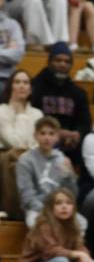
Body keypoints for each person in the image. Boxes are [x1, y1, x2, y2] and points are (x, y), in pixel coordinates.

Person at [30, 44, 91, 166]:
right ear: (49, 62)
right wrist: (55, 133)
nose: (63, 64)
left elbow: (85, 122)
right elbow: (31, 116)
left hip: (69, 143)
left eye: (67, 61)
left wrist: (77, 134)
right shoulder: (35, 87)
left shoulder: (78, 92)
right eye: (58, 60)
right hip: (41, 138)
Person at [15, 115, 78, 228]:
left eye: (51, 134)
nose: (47, 138)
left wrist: (69, 176)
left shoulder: (62, 159)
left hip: (60, 207)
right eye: (42, 133)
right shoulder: (25, 160)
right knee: (34, 222)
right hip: (36, 209)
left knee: (82, 223)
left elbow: (72, 194)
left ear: (57, 137)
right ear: (35, 135)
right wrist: (50, 211)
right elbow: (27, 195)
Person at [0, 69, 43, 219]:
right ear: (10, 87)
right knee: (12, 159)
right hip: (6, 155)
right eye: (17, 82)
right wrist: (19, 114)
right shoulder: (2, 111)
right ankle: (16, 212)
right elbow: (14, 142)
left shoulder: (37, 114)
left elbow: (37, 142)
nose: (22, 86)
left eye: (26, 82)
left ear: (30, 89)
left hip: (32, 155)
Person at [0, 0, 24, 91]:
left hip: (7, 80)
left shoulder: (12, 25)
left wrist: (12, 51)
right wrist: (6, 50)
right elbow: (11, 53)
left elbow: (17, 54)